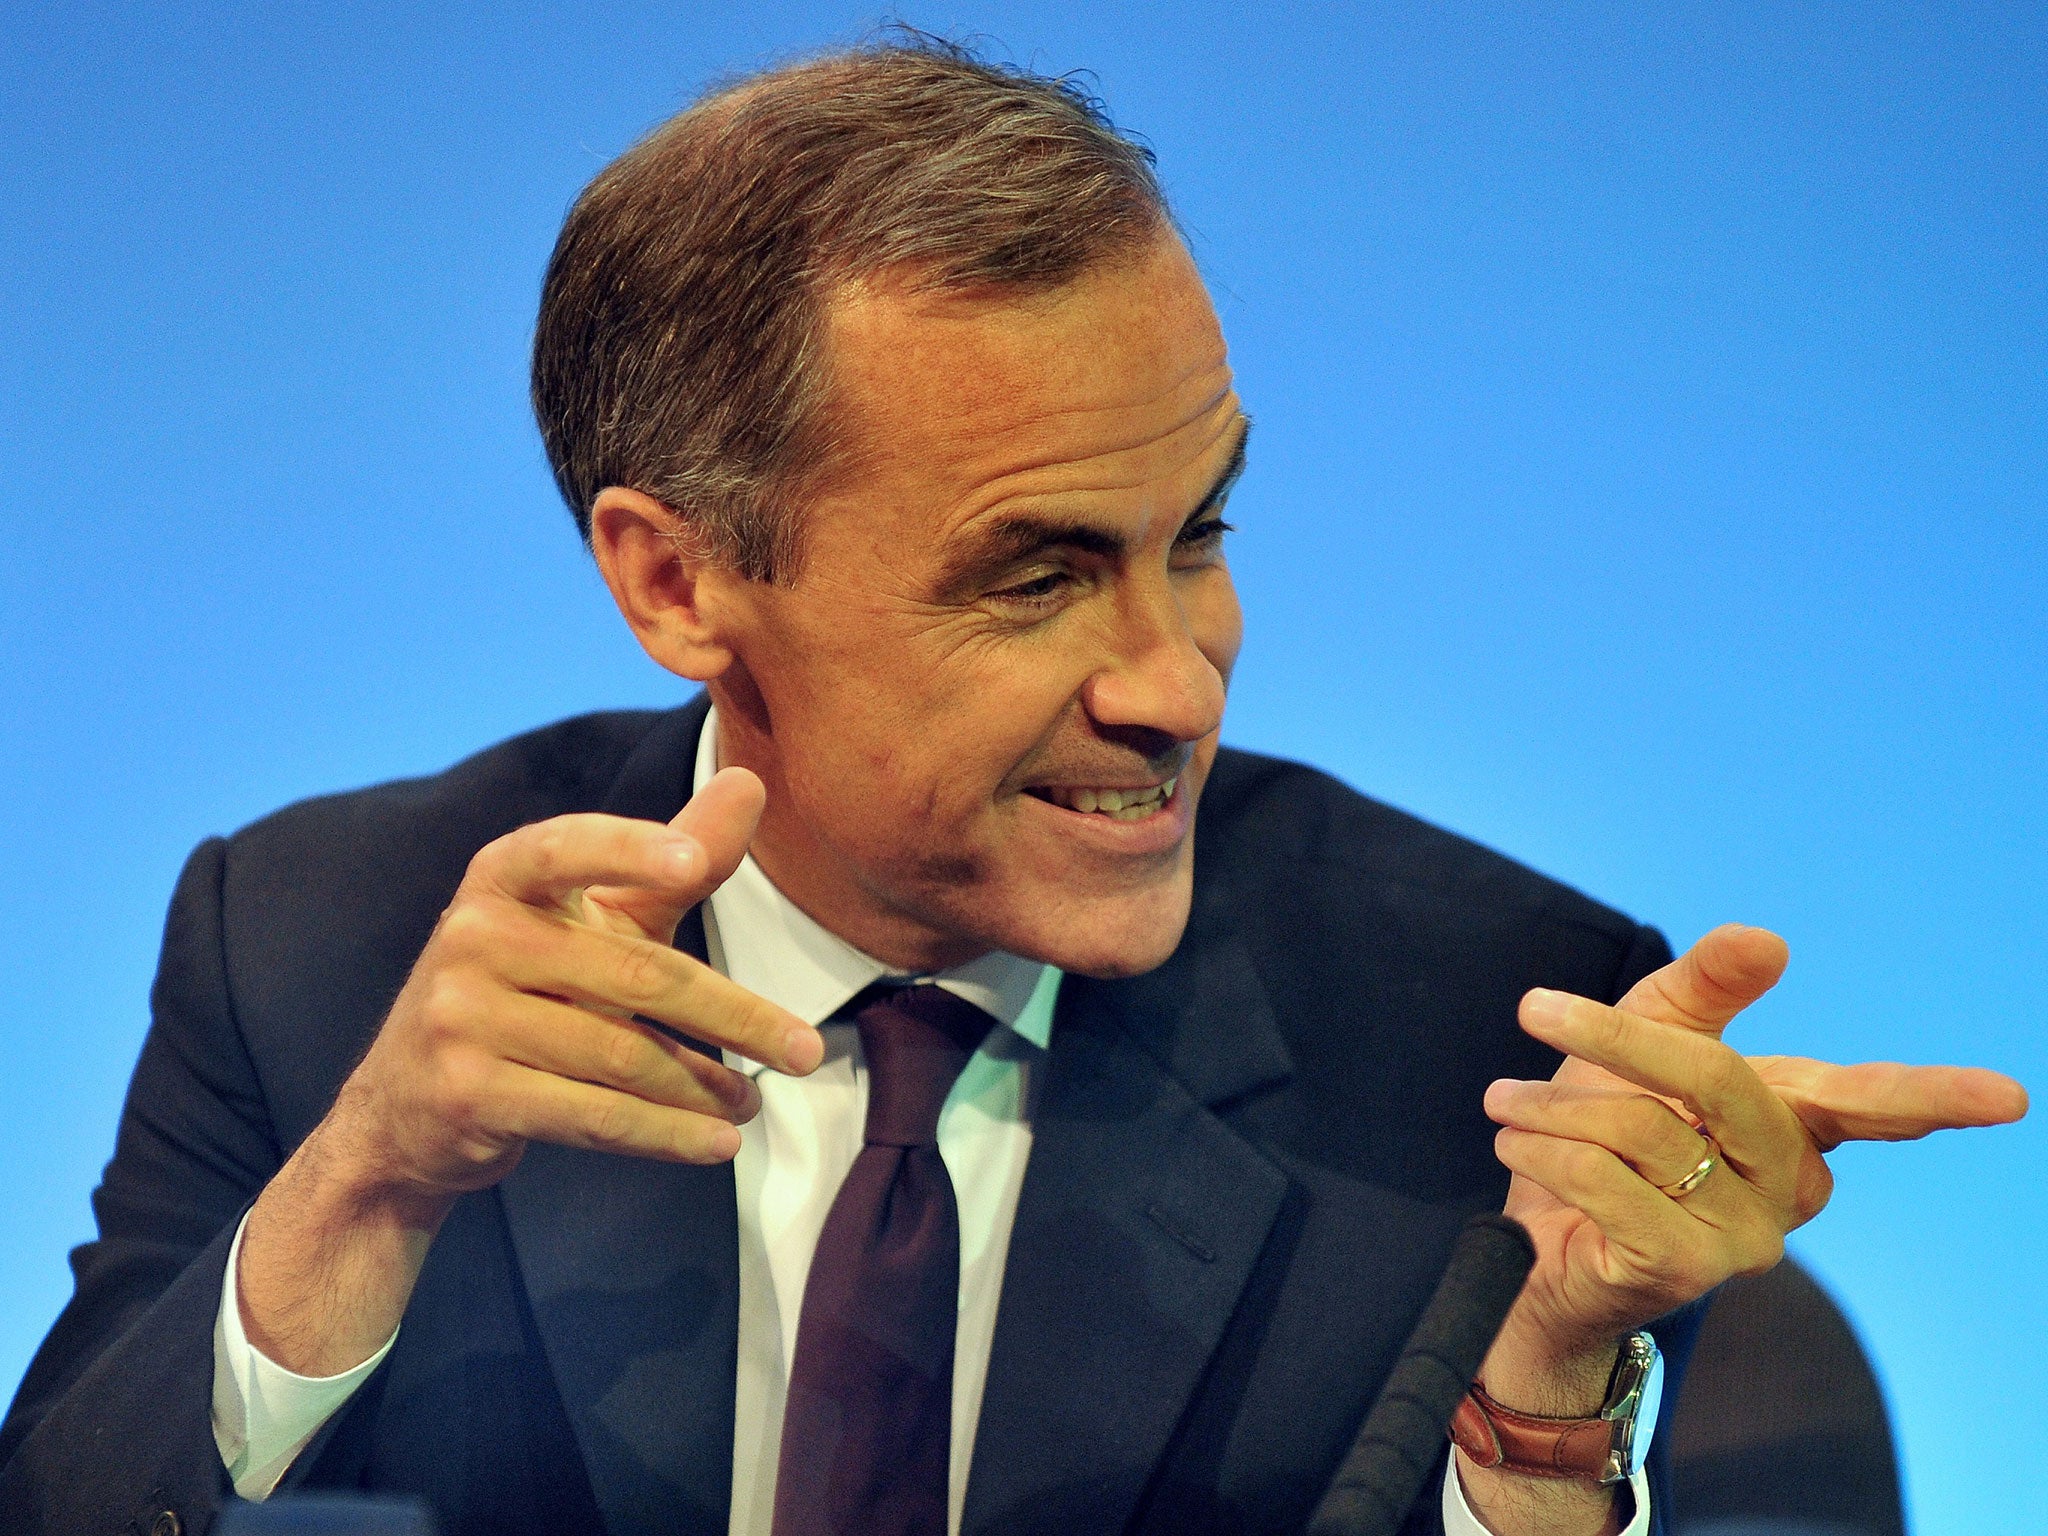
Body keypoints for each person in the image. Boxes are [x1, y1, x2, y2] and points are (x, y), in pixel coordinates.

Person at [0, 36, 2024, 1536]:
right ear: (679, 578)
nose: (1172, 681)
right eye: (1038, 572)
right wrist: (355, 1196)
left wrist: (1547, 1395)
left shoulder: (1486, 1038)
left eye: (1199, 531)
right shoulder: (315, 950)